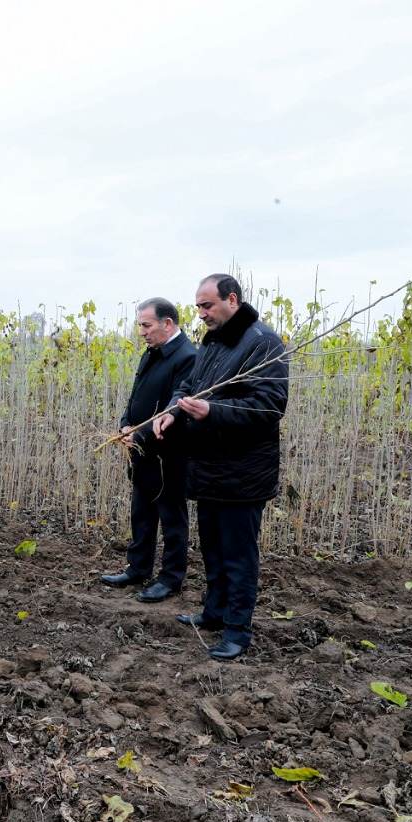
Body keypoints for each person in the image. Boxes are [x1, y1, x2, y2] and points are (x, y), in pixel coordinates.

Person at [153, 274, 288, 660]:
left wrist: (212, 411)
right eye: (198, 306)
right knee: (212, 546)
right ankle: (214, 613)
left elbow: (269, 406)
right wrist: (173, 410)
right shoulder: (213, 340)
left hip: (243, 471)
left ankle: (237, 630)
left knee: (238, 555)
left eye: (207, 305)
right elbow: (189, 386)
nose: (201, 313)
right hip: (209, 466)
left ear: (232, 299)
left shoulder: (263, 342)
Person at [100, 298, 197, 602]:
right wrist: (125, 424)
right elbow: (137, 397)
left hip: (169, 455)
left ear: (167, 323)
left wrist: (139, 435)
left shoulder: (187, 357)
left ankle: (170, 578)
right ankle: (138, 568)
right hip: (141, 451)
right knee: (141, 512)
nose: (141, 332)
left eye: (146, 325)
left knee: (171, 518)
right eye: (140, 325)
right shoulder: (153, 353)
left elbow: (175, 409)